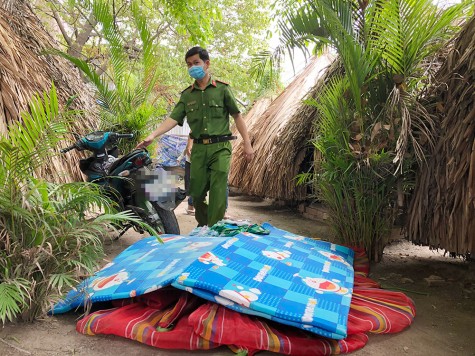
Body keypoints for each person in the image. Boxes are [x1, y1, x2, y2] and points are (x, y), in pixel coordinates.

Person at [136, 46, 253, 227]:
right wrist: (153, 134)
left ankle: (213, 228)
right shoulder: (187, 95)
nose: (192, 67)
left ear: (207, 64)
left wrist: (247, 143)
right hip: (198, 150)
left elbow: (237, 116)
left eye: (196, 63)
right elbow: (173, 118)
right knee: (196, 194)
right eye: (189, 64)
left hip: (220, 147)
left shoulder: (222, 90)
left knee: (218, 190)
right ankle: (205, 223)